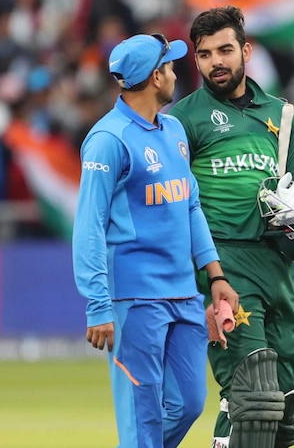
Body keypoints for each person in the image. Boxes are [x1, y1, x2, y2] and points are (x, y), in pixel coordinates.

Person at [168, 6, 294, 448]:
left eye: (225, 50)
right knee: (252, 387)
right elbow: (175, 202)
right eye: (205, 53)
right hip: (222, 262)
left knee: (281, 396)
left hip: (278, 264)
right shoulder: (184, 119)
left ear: (246, 51)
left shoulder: (282, 115)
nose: (216, 61)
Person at [72, 33, 239, 448]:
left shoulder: (175, 130)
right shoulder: (109, 140)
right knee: (142, 416)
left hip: (183, 292)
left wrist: (214, 274)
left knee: (187, 404)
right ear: (153, 77)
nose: (175, 73)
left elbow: (190, 206)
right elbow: (88, 226)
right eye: (169, 66)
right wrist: (97, 304)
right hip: (134, 298)